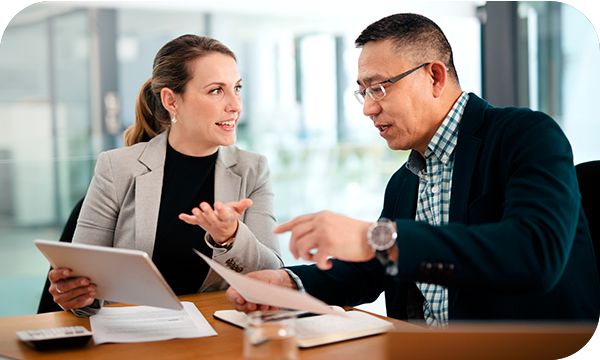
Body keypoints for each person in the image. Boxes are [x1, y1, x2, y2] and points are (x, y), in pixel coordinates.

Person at [227, 13, 600, 325]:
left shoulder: (526, 135)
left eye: (379, 88)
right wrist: (287, 282)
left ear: (435, 76)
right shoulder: (404, 181)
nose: (368, 109)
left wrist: (376, 238)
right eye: (363, 91)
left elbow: (535, 254)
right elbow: (375, 269)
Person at [47, 34, 283, 316]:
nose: (235, 105)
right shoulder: (116, 167)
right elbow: (83, 289)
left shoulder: (252, 170)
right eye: (216, 91)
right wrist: (77, 298)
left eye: (237, 88)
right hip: (135, 340)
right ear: (171, 100)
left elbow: (274, 277)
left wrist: (231, 237)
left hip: (219, 338)